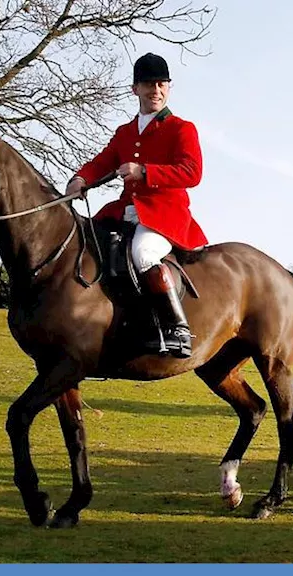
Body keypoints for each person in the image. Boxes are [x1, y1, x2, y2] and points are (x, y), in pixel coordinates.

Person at [66, 52, 206, 359]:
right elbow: (102, 162)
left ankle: (178, 330)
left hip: (165, 214)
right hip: (124, 211)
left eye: (160, 84)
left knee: (143, 253)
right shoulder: (125, 133)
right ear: (135, 89)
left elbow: (192, 172)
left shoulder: (182, 128)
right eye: (147, 84)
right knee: (83, 242)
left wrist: (144, 172)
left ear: (168, 88)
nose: (155, 90)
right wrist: (80, 179)